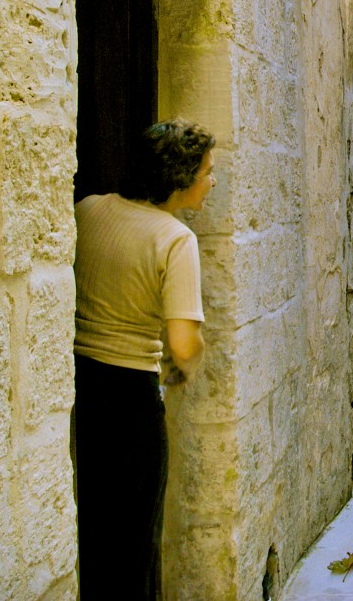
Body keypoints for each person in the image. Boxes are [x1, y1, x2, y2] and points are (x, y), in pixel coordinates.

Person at [72, 119, 215, 599]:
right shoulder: (175, 239)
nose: (210, 181)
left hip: (82, 389)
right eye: (206, 172)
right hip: (132, 398)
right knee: (134, 543)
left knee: (91, 530)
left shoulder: (87, 210)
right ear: (180, 177)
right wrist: (188, 364)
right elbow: (182, 343)